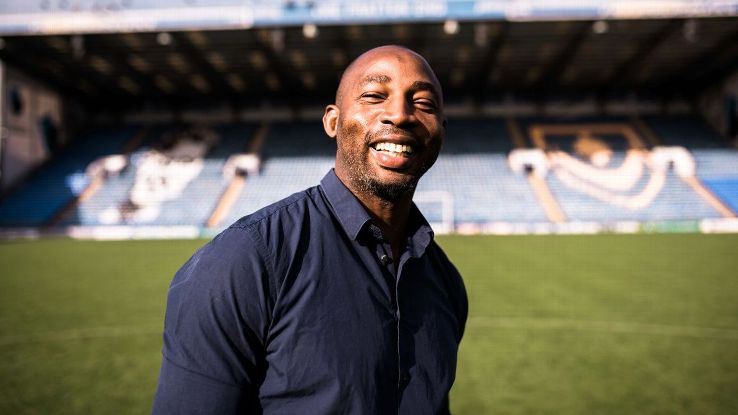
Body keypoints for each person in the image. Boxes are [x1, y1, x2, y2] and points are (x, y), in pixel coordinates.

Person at [152, 45, 468, 414]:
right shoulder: (245, 260)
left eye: (424, 104)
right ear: (332, 121)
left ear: (440, 132)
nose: (399, 114)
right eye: (373, 96)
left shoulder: (445, 282)